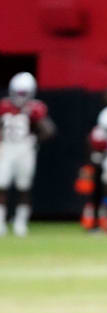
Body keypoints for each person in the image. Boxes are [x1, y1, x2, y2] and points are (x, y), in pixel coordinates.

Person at [0, 72, 55, 236]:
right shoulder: (3, 106)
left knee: (24, 187)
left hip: (25, 149)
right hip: (6, 148)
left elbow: (49, 130)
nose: (20, 97)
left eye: (24, 93)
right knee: (1, 185)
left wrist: (34, 138)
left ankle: (20, 223)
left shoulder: (35, 108)